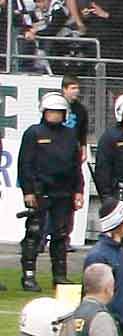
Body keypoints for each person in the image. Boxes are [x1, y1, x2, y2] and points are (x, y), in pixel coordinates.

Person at [14, 92, 79, 291]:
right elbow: (25, 163)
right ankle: (28, 276)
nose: (55, 115)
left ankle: (59, 276)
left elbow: (75, 166)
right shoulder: (34, 133)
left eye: (59, 112)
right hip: (40, 191)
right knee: (34, 234)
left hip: (64, 193)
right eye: (51, 111)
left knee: (60, 235)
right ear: (44, 111)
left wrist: (79, 191)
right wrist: (28, 190)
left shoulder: (70, 135)